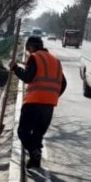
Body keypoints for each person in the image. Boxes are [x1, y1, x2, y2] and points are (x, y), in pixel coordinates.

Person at [9, 35, 67, 170]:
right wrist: (52, 96)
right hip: (49, 106)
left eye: (28, 49)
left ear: (30, 47)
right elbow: (63, 83)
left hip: (33, 102)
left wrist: (15, 68)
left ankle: (34, 152)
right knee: (37, 134)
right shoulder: (55, 61)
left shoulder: (34, 57)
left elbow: (28, 78)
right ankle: (35, 160)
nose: (28, 52)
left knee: (23, 132)